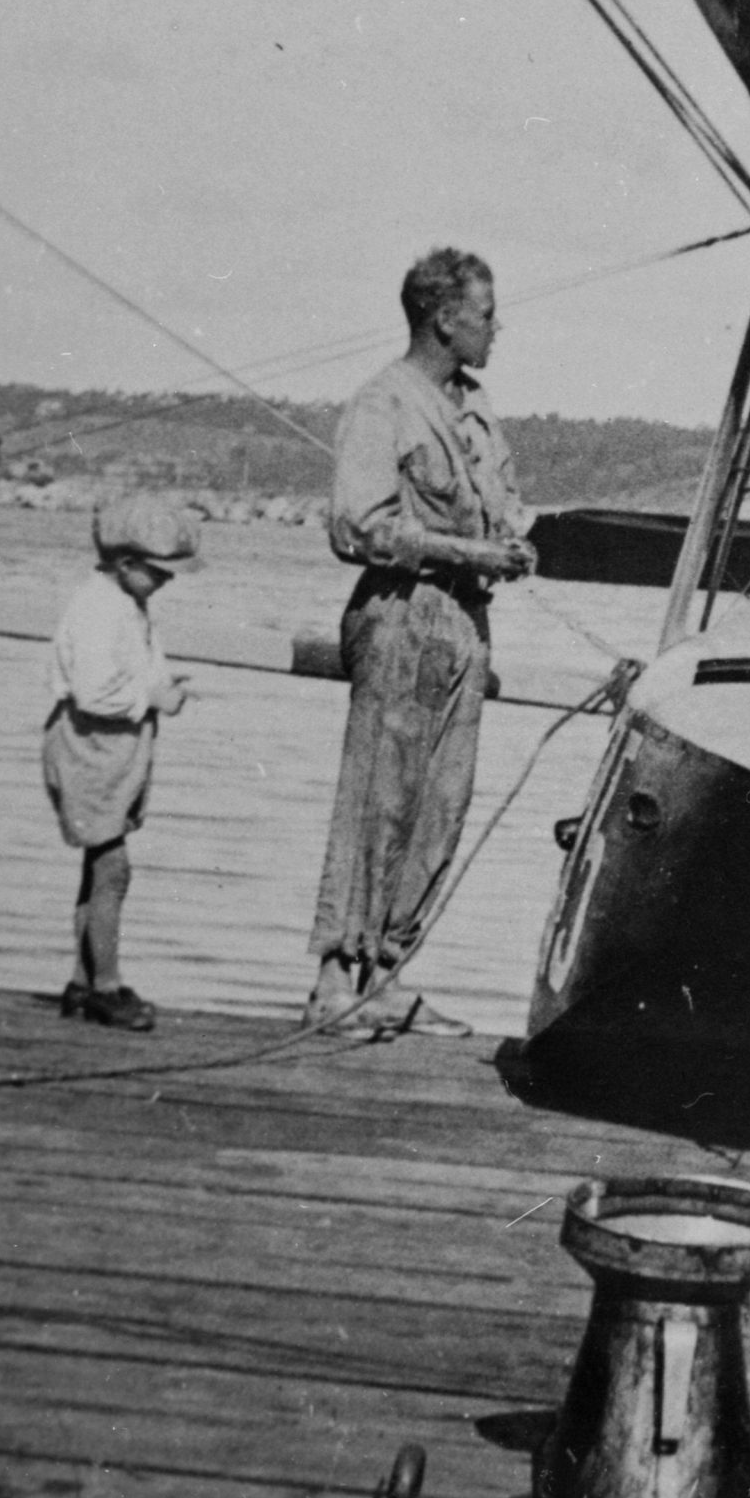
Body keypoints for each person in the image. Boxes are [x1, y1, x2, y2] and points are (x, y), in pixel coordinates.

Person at [305, 248, 537, 1034]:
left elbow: (498, 502)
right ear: (443, 317)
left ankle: (385, 974)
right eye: (485, 314)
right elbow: (356, 525)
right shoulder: (383, 405)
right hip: (402, 616)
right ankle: (336, 978)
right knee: (380, 797)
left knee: (441, 805)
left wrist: (510, 541)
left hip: (465, 625)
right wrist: (472, 554)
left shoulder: (476, 407)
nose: (497, 329)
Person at [43, 496, 199, 1031]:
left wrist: (158, 687)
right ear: (127, 564)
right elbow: (93, 692)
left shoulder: (126, 603)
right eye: (160, 572)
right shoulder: (97, 607)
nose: (167, 582)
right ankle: (107, 986)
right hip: (90, 747)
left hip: (113, 749)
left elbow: (128, 670)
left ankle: (82, 982)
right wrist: (152, 698)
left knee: (99, 864)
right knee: (113, 868)